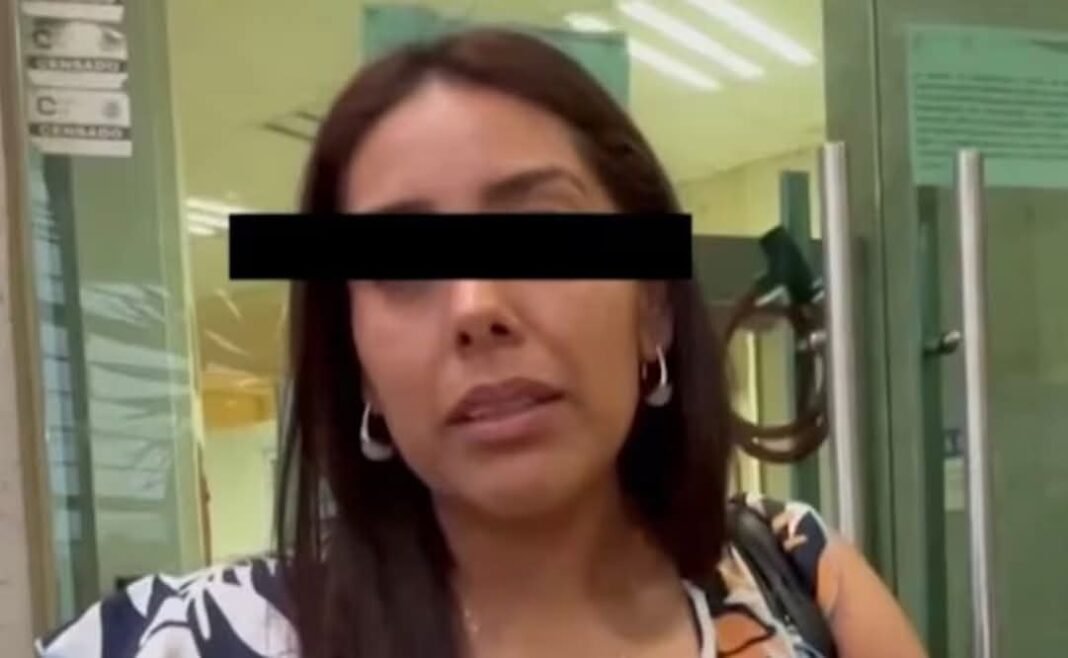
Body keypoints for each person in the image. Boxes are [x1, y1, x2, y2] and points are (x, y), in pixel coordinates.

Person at [37, 28, 927, 658]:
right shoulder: (194, 640)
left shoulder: (795, 576)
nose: (475, 307)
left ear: (652, 305)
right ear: (361, 371)